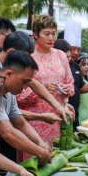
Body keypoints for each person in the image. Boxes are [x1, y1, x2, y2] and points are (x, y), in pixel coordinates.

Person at [16, 14, 74, 160]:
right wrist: (42, 90)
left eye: (53, 34)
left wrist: (67, 89)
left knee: (55, 158)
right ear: (36, 34)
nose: (51, 38)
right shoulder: (29, 57)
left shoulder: (61, 55)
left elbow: (70, 82)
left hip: (57, 116)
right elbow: (19, 94)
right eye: (46, 34)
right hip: (35, 119)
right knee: (35, 158)